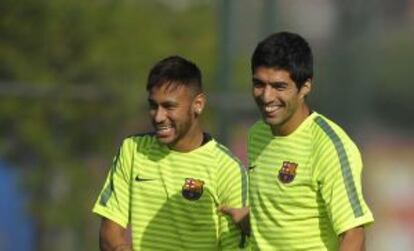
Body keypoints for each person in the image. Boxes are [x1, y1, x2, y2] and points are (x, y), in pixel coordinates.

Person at [222, 32, 374, 250]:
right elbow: (287, 217)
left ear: (305, 87)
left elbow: (353, 234)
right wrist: (250, 220)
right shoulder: (258, 134)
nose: (266, 96)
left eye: (279, 86)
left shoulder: (329, 145)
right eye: (259, 84)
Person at [92, 56, 248, 250]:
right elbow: (110, 233)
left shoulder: (228, 169)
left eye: (169, 106)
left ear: (198, 104)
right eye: (153, 106)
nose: (158, 116)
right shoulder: (132, 150)